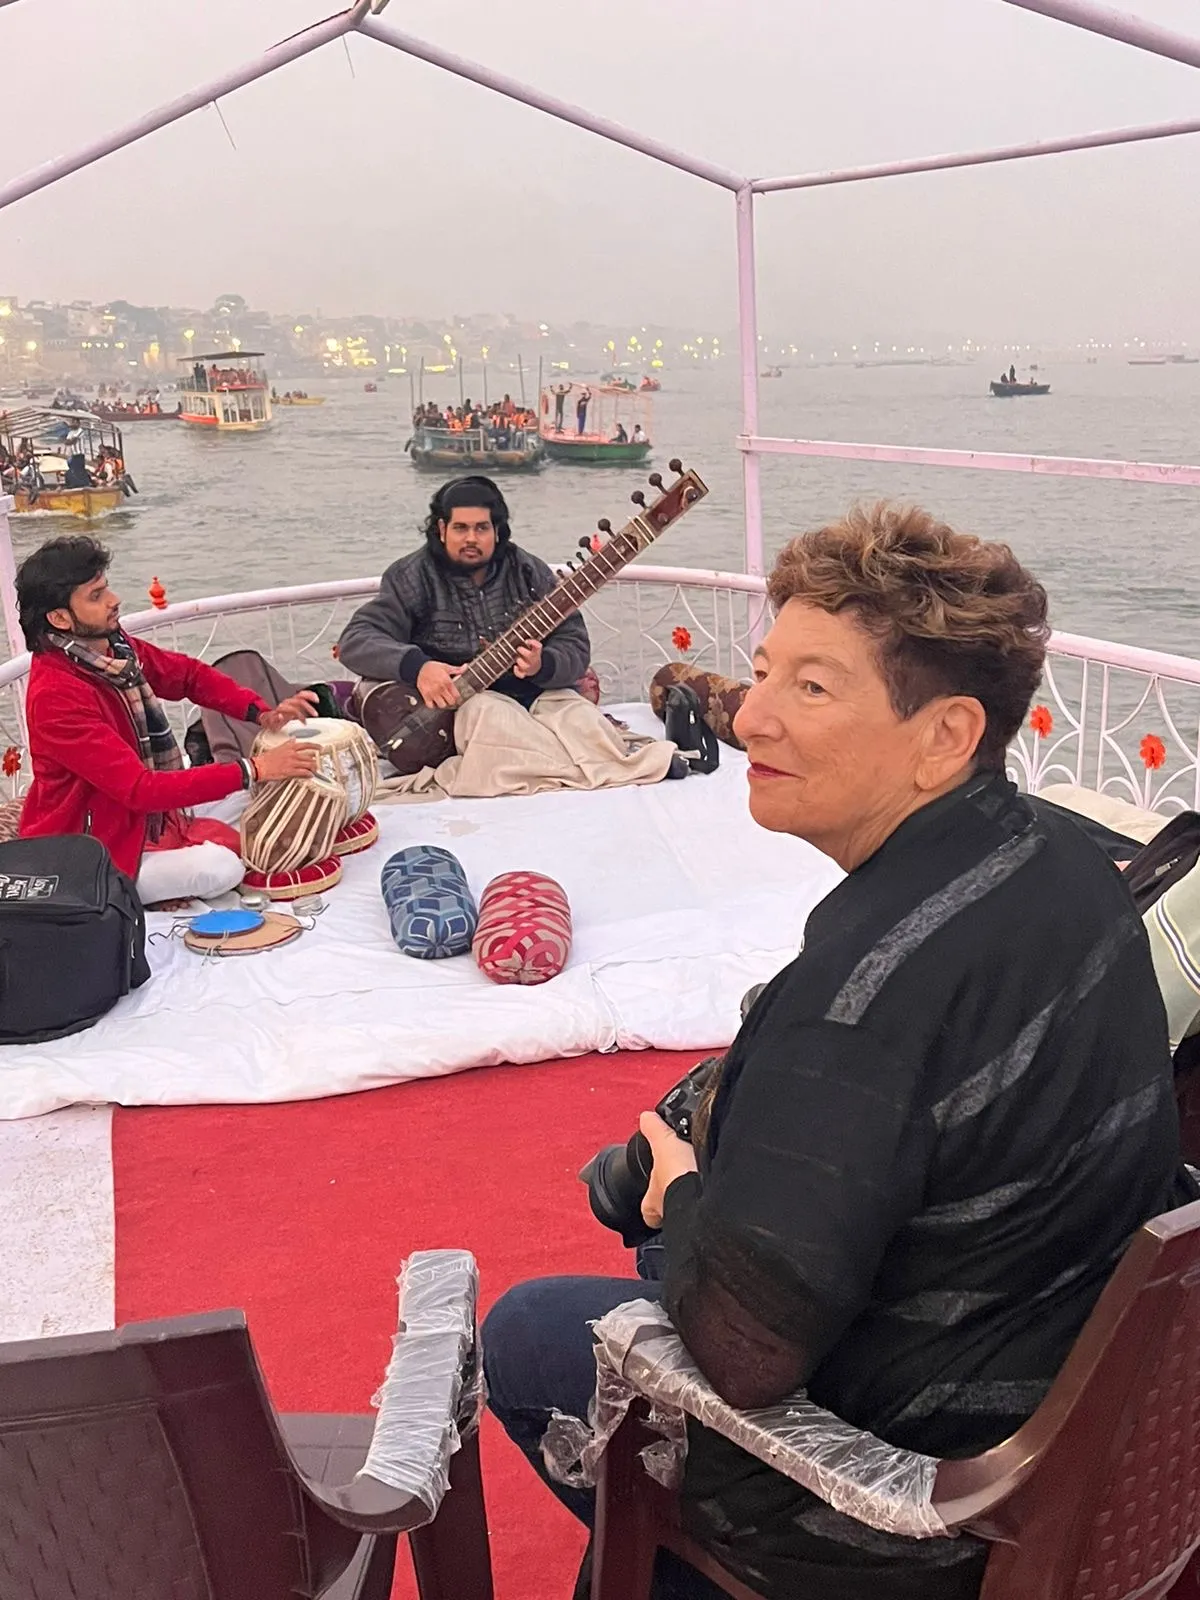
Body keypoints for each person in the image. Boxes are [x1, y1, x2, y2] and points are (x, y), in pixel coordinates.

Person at [483, 501, 1195, 1600]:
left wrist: (677, 1193)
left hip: (938, 1505)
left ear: (947, 736)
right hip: (1066, 1386)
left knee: (529, 1329)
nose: (751, 716)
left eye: (811, 687)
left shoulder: (856, 1008)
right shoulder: (1065, 864)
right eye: (762, 671)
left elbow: (746, 1356)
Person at [17, 536, 320, 906]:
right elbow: (141, 789)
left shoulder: (112, 649)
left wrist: (260, 711)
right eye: (96, 596)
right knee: (222, 867)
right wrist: (254, 768)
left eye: (106, 588)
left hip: (142, 818)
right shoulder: (56, 696)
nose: (114, 600)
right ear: (60, 618)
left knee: (262, 798)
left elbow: (186, 676)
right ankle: (140, 891)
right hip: (94, 851)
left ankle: (169, 863)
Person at [336, 475, 590, 716]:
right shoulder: (412, 576)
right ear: (442, 529)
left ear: (497, 531)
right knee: (494, 717)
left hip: (536, 698)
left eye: (481, 528)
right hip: (458, 715)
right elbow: (356, 641)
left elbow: (574, 644)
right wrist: (418, 668)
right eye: (460, 528)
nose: (471, 538)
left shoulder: (527, 571)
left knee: (587, 726)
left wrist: (542, 664)